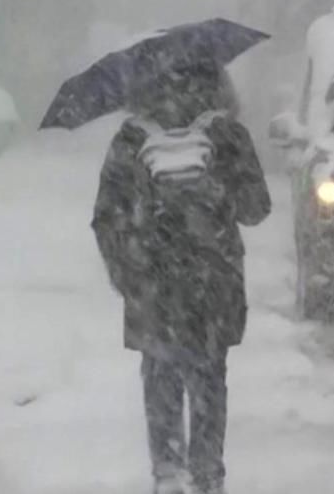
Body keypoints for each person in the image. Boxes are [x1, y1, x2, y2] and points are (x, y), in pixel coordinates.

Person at [91, 60, 270, 494]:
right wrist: (218, 198)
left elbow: (106, 216)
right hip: (214, 282)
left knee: (160, 377)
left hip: (153, 283)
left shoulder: (132, 138)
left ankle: (168, 470)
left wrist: (126, 273)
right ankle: (208, 473)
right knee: (209, 379)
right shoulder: (226, 135)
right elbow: (257, 208)